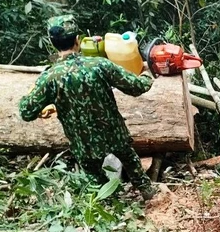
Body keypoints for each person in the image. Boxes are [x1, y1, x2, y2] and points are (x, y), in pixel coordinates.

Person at [19, 15, 157, 200]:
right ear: (78, 40)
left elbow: (26, 112)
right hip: (114, 134)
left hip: (83, 143)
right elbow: (136, 87)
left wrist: (27, 97)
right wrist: (147, 75)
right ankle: (148, 192)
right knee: (130, 160)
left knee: (94, 177)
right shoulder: (99, 65)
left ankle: (111, 203)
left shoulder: (50, 77)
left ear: (53, 44)